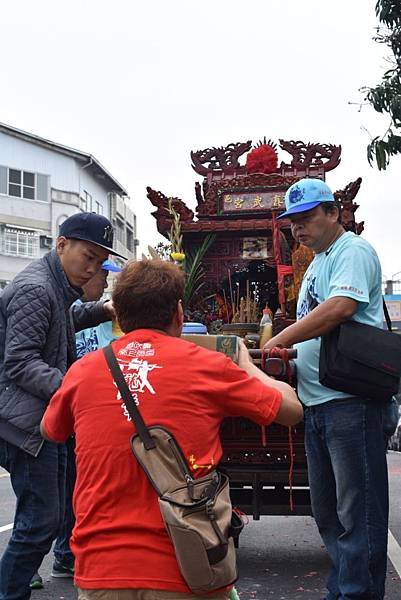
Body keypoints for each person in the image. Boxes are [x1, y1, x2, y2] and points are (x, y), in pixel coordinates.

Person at [41, 259, 303, 600]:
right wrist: (244, 364)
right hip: (187, 565)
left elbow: (51, 430)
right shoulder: (208, 365)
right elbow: (291, 410)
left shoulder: (84, 371)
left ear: (117, 315)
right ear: (179, 313)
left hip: (100, 569)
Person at [263, 178, 388, 600]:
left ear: (334, 213)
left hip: (350, 403)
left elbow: (340, 308)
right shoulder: (318, 261)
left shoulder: (351, 251)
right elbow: (321, 335)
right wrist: (291, 359)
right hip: (318, 403)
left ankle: (356, 593)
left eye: (307, 218)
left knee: (358, 512)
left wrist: (281, 340)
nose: (298, 229)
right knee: (329, 513)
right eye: (292, 223)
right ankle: (343, 588)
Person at [0, 211, 125, 600]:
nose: (92, 269)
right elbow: (19, 362)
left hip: (41, 420)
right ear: (61, 244)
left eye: (99, 261)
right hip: (24, 425)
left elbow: (62, 318)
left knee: (43, 518)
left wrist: (102, 310)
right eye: (87, 256)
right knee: (41, 522)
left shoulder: (55, 286)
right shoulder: (37, 288)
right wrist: (77, 387)